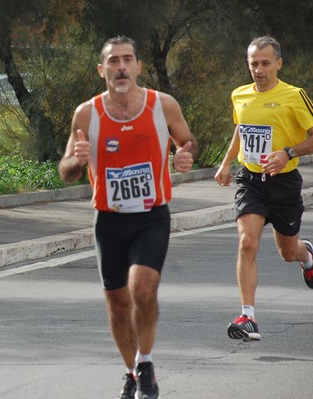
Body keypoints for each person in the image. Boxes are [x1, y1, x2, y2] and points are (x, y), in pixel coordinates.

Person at [58, 36, 197, 399]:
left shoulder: (162, 105)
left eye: (127, 60)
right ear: (102, 70)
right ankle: (131, 373)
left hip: (152, 216)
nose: (121, 67)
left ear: (138, 67)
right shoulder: (86, 114)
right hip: (109, 220)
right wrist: (78, 160)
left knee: (143, 288)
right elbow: (65, 170)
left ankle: (146, 363)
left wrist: (184, 156)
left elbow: (187, 141)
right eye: (113, 61)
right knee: (119, 305)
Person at [214, 36, 313, 341]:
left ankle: (307, 257)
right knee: (246, 242)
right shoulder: (239, 95)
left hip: (285, 183)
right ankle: (247, 317)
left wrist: (288, 152)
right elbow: (241, 128)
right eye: (254, 63)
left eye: (265, 63)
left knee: (288, 252)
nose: (259, 69)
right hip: (250, 180)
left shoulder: (294, 95)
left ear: (278, 63)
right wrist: (225, 164)